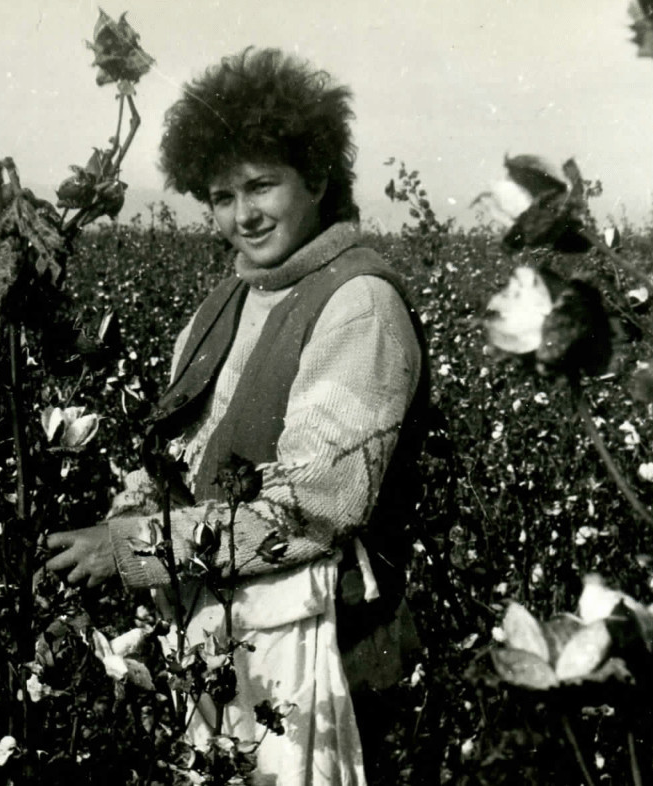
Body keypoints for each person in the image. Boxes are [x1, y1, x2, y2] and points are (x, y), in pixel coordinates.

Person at [46, 47, 430, 786]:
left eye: (261, 186)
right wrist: (122, 517)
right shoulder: (226, 300)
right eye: (222, 196)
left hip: (322, 653)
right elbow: (174, 455)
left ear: (317, 177)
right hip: (223, 638)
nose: (242, 216)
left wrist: (130, 550)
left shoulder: (360, 305)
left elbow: (309, 512)